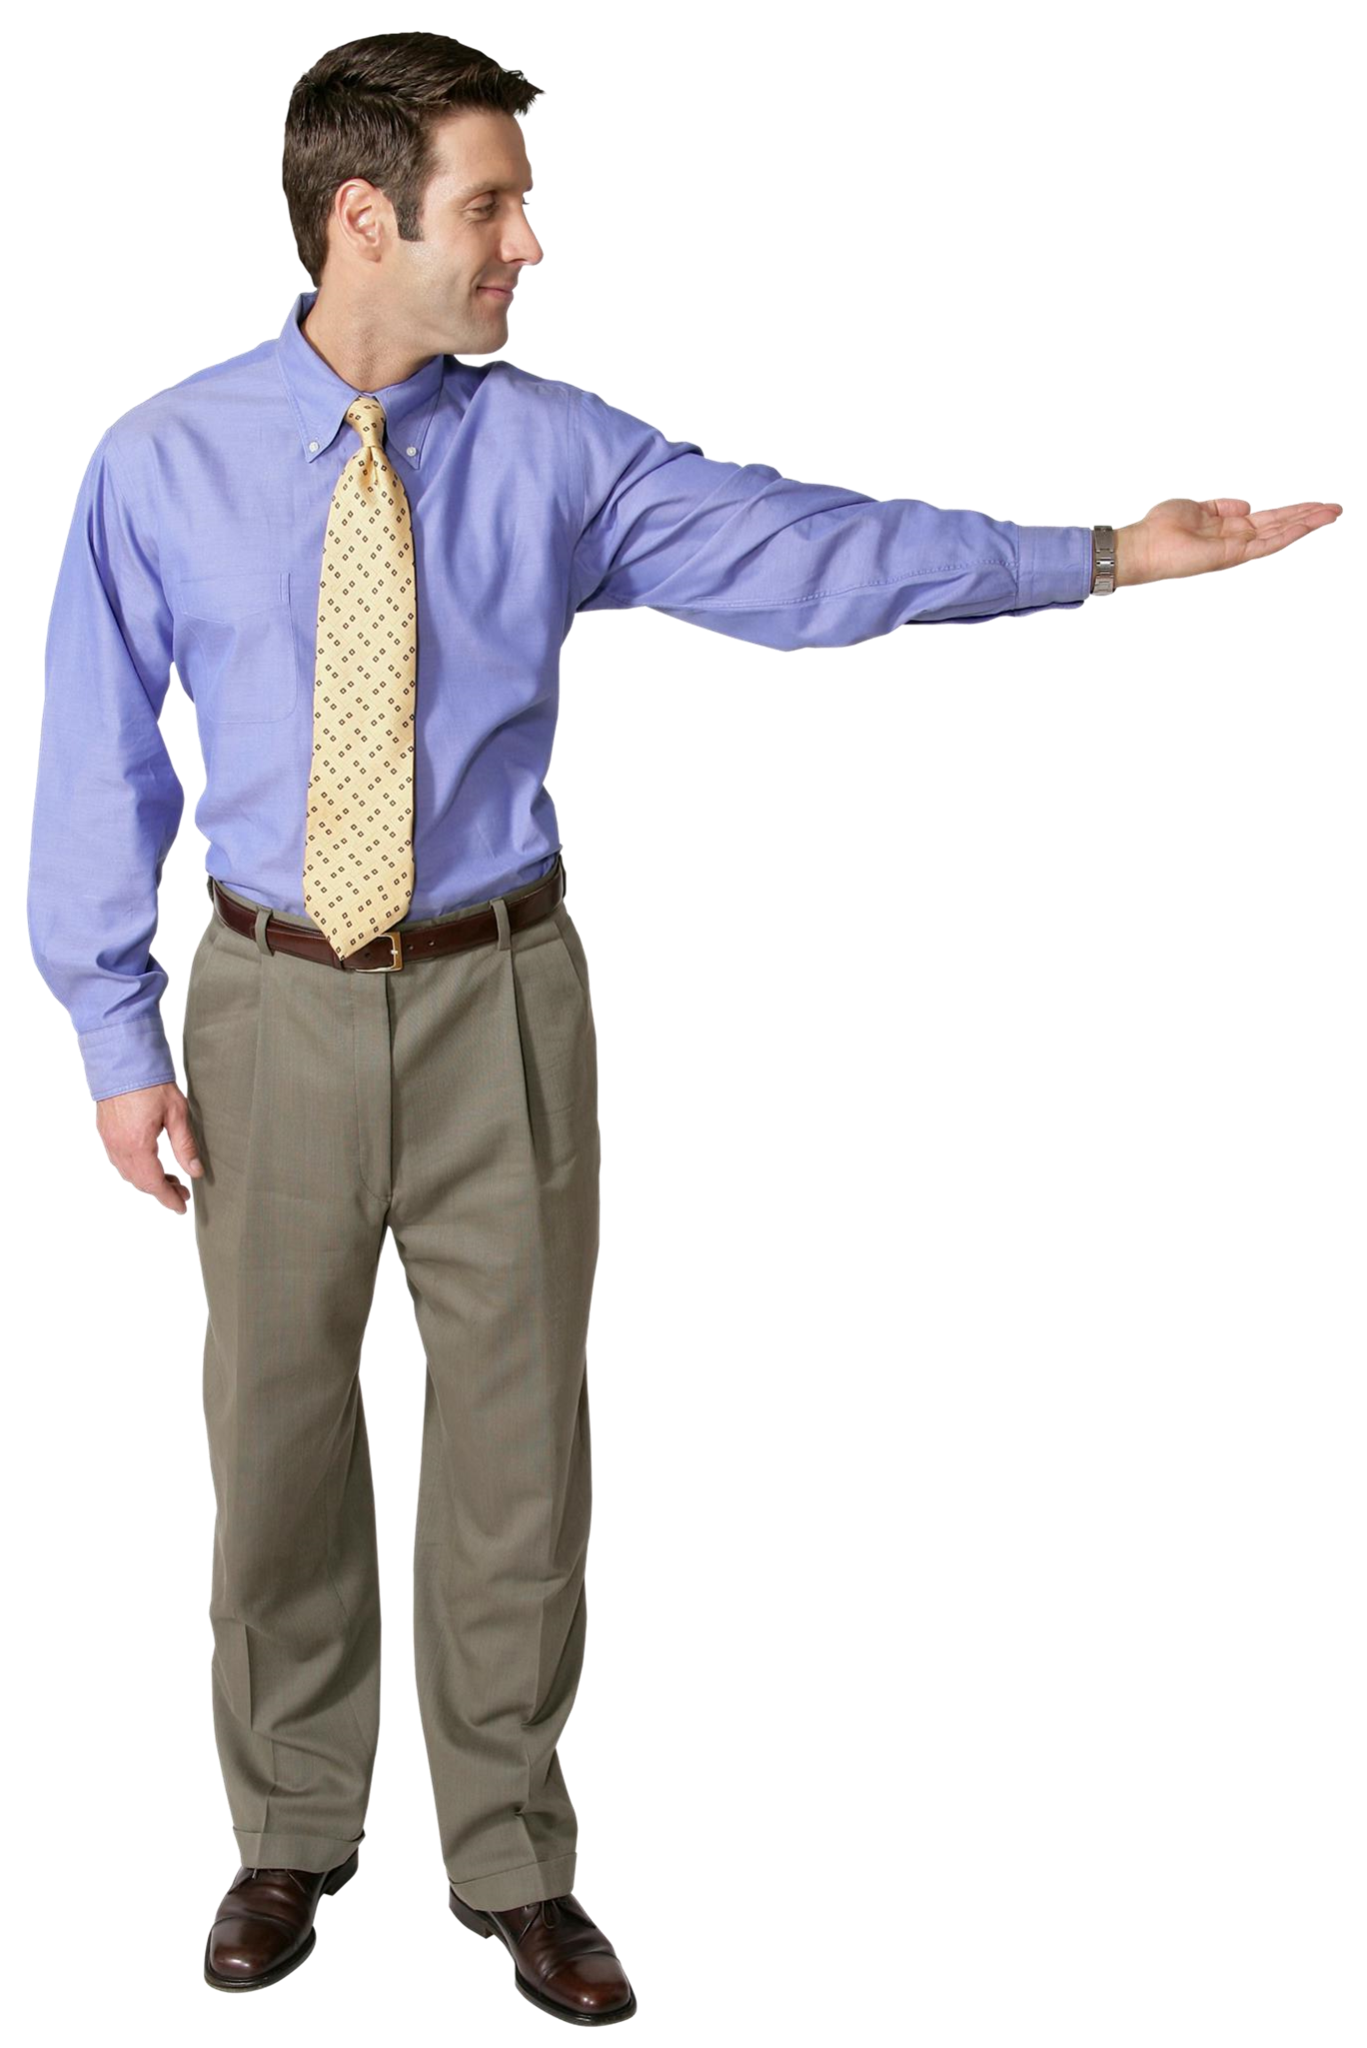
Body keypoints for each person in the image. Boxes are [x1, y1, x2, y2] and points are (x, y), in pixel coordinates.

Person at [28, 28, 1342, 2015]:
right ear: (364, 217)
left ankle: (511, 1855)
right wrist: (116, 1036)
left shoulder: (560, 451)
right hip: (266, 1006)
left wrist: (1095, 558)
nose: (528, 245)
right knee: (274, 1437)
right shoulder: (160, 459)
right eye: (491, 206)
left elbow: (812, 549)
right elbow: (95, 761)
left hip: (502, 1002)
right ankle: (290, 1828)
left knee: (518, 1454)